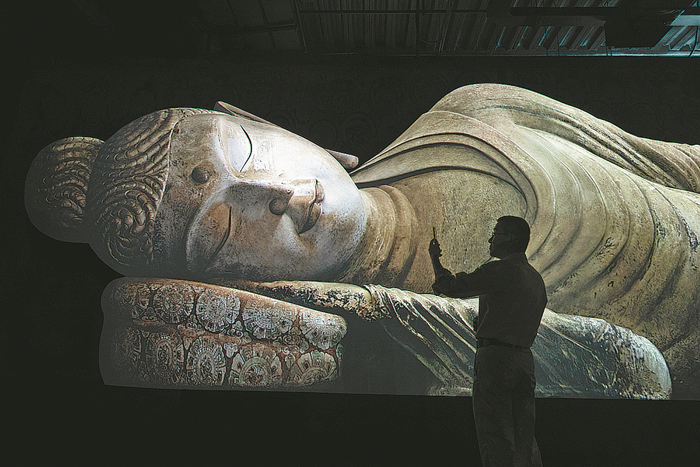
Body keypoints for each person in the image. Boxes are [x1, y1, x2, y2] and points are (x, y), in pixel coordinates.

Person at [24, 84, 700, 397]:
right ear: (230, 284)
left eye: (250, 149)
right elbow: (637, 382)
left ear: (266, 120)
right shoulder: (422, 337)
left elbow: (672, 163)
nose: (279, 194)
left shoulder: (470, 114)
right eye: (225, 228)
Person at [430, 216, 546, 466]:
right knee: (525, 441)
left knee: (496, 437)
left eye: (496, 233)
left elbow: (450, 286)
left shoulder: (502, 269)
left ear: (510, 239)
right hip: (524, 361)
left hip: (497, 361)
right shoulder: (535, 278)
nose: (490, 239)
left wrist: (435, 259)